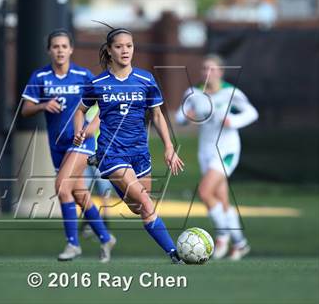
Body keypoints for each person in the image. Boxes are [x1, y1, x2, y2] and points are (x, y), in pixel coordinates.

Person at [73, 26, 185, 264]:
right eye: (119, 46)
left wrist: (168, 147)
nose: (125, 50)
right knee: (146, 201)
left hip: (139, 153)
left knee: (139, 209)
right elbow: (80, 111)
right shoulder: (99, 82)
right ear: (110, 51)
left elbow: (157, 115)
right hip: (112, 153)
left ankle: (112, 173)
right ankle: (175, 253)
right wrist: (79, 132)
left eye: (129, 46)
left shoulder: (146, 79)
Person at [21, 29, 115, 263]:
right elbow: (25, 109)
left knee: (62, 188)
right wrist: (43, 105)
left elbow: (105, 107)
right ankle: (105, 236)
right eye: (55, 46)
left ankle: (73, 244)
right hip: (57, 145)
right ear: (49, 50)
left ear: (71, 49)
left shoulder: (83, 76)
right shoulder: (40, 77)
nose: (60, 50)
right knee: (80, 195)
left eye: (64, 46)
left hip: (81, 141)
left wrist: (91, 127)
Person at [175, 54, 259, 260]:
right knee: (221, 200)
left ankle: (222, 237)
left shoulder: (231, 92)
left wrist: (233, 120)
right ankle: (240, 244)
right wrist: (187, 117)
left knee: (204, 192)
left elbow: (252, 113)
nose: (207, 73)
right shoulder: (194, 93)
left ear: (220, 72)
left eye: (212, 69)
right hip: (206, 151)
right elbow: (179, 116)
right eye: (204, 69)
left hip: (227, 150)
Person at [81, 104, 113, 239]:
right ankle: (87, 221)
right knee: (83, 188)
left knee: (104, 191)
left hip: (100, 154)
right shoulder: (85, 107)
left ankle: (104, 221)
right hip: (84, 153)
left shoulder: (103, 106)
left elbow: (92, 129)